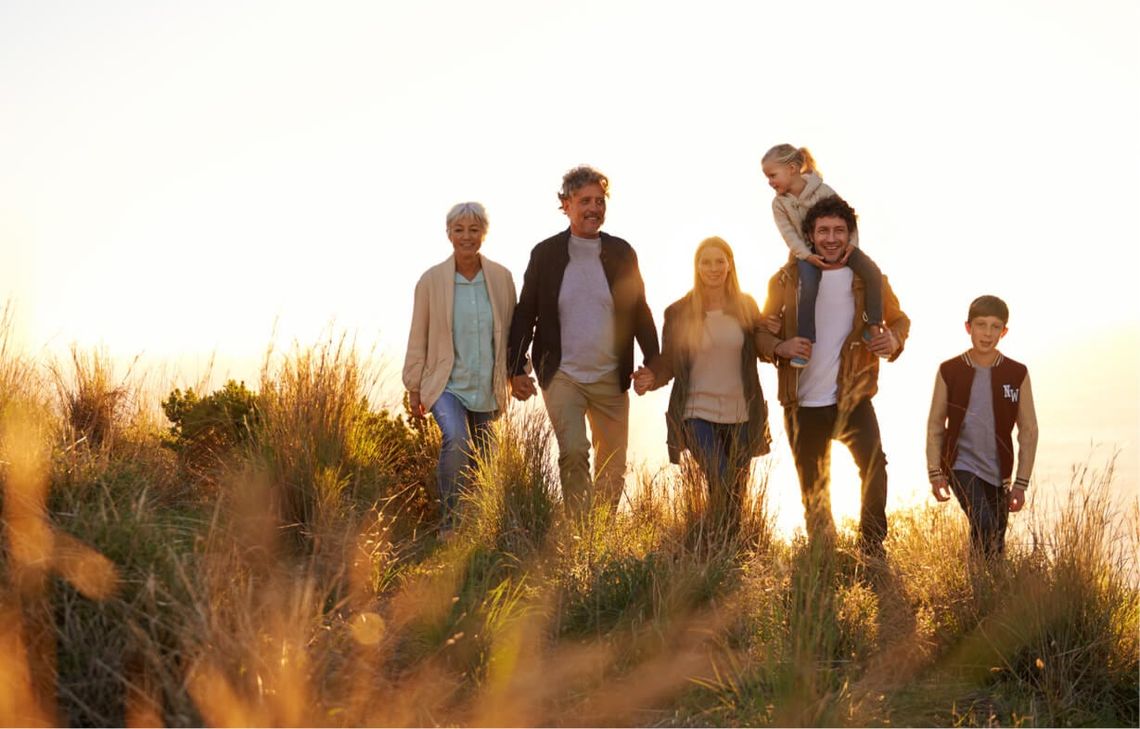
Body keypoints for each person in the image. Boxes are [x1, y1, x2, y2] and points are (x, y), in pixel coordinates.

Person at [757, 195, 909, 560]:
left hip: (853, 395)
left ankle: (871, 548)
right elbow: (761, 334)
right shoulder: (786, 278)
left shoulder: (868, 280)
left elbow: (899, 319)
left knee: (875, 468)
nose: (830, 238)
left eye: (839, 230)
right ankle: (823, 556)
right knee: (814, 488)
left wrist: (894, 338)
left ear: (850, 235)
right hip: (802, 403)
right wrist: (782, 346)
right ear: (809, 234)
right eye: (823, 230)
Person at [507, 165, 659, 516]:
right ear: (566, 204)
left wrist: (654, 363)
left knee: (613, 467)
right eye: (585, 201)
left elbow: (639, 311)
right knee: (574, 451)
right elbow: (525, 313)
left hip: (610, 376)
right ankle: (578, 528)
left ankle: (599, 537)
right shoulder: (545, 254)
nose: (594, 208)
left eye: (600, 201)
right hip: (562, 374)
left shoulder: (622, 253)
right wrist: (514, 368)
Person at [632, 237, 771, 531]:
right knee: (720, 477)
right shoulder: (679, 312)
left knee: (734, 489)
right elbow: (669, 361)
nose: (713, 268)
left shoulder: (746, 306)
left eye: (720, 261)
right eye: (706, 262)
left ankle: (723, 550)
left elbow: (763, 346)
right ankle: (716, 545)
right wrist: (651, 377)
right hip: (696, 412)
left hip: (742, 415)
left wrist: (778, 336)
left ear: (730, 265)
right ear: (696, 267)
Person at [403, 202, 517, 537]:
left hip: (486, 385)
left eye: (474, 229)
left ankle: (481, 525)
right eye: (459, 230)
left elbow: (512, 332)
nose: (466, 236)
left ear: (484, 233)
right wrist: (413, 387)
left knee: (486, 456)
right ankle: (451, 523)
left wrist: (518, 373)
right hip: (445, 384)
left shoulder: (500, 278)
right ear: (449, 234)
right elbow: (417, 335)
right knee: (457, 439)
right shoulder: (431, 281)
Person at [926, 295, 1039, 558]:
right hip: (960, 465)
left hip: (999, 471)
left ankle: (984, 593)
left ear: (1004, 331)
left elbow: (1029, 430)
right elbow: (935, 424)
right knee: (985, 523)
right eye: (981, 325)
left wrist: (1021, 483)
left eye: (995, 326)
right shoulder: (949, 370)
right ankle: (982, 587)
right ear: (968, 327)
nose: (987, 333)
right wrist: (935, 472)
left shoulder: (1016, 373)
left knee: (995, 543)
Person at [761, 144, 885, 368]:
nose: (769, 182)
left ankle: (872, 326)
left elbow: (849, 218)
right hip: (805, 254)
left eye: (772, 175)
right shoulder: (779, 204)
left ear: (791, 168)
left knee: (872, 273)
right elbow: (789, 235)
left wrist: (851, 246)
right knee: (809, 285)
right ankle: (806, 340)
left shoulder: (823, 190)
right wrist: (807, 257)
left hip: (842, 248)